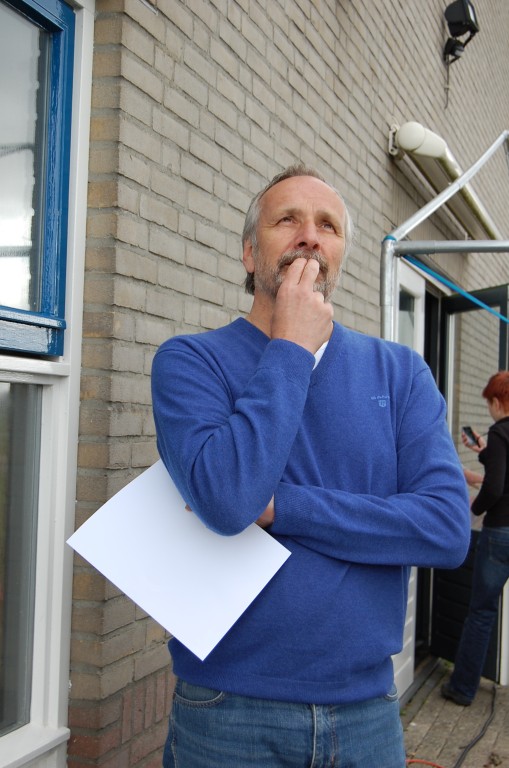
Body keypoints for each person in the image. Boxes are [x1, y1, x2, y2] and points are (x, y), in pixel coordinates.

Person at [151, 165, 471, 767]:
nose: (309, 236)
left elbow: (446, 529)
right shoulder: (191, 362)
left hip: (367, 710)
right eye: (287, 220)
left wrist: (283, 507)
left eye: (328, 225)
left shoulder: (400, 373)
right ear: (250, 253)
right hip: (229, 710)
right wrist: (291, 347)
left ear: (341, 254)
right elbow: (229, 500)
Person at [442, 371, 509, 707]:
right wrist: (484, 452)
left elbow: (494, 487)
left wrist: (474, 508)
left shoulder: (500, 433)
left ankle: (462, 688)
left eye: (489, 403)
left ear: (497, 401)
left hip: (501, 535)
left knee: (481, 611)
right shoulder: (496, 440)